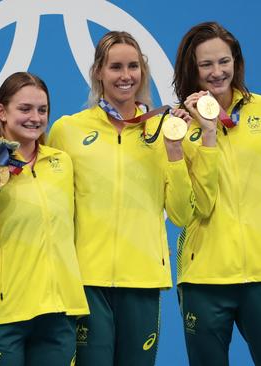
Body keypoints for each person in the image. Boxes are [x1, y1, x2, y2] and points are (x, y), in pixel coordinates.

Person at [48, 31, 212, 366]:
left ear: (143, 71)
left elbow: (181, 214)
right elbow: (53, 208)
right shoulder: (68, 130)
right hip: (86, 281)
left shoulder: (165, 128)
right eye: (116, 67)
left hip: (143, 279)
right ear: (98, 72)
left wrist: (174, 151)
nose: (126, 76)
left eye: (133, 66)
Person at [172, 21, 261, 366]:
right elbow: (189, 209)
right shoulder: (178, 125)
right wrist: (205, 134)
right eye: (205, 64)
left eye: (224, 61)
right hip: (204, 279)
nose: (217, 71)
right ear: (191, 69)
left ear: (236, 61)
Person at [0, 71, 89, 366]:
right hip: (2, 314)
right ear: (2, 111)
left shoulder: (61, 162)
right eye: (25, 109)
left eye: (42, 110)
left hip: (58, 311)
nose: (35, 117)